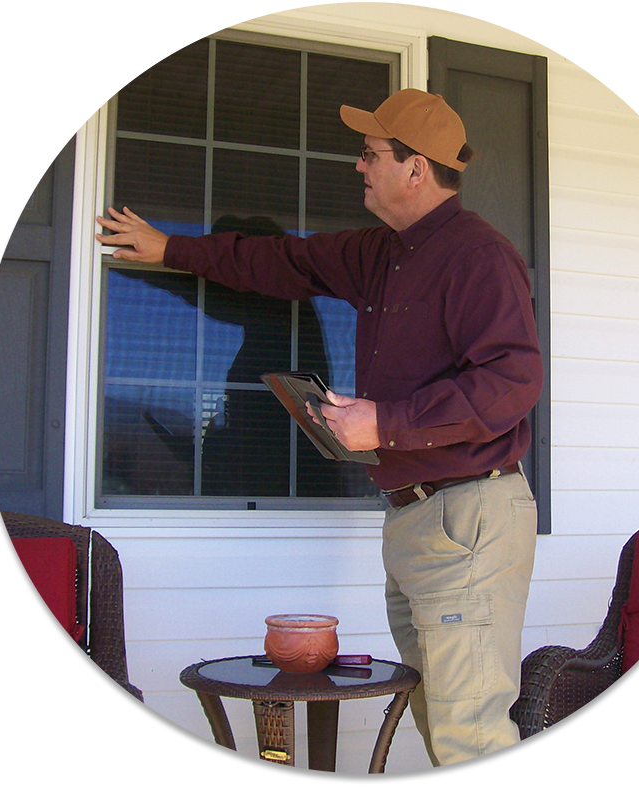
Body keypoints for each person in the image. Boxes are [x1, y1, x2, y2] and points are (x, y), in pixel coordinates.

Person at [97, 88, 543, 773]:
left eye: (371, 154)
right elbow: (279, 264)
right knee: (443, 722)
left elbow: (512, 383)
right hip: (418, 519)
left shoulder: (479, 257)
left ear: (416, 168)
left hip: (470, 516)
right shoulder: (381, 252)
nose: (358, 165)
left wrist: (384, 421)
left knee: (470, 734)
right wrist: (169, 247)